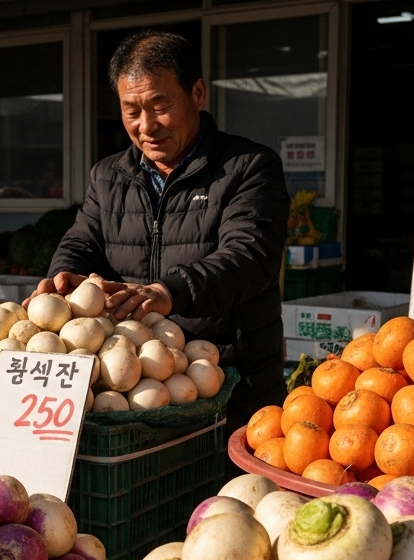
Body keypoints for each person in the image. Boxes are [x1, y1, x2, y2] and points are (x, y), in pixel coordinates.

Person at [29, 30, 289, 430]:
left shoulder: (249, 167)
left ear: (197, 94)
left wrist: (169, 291)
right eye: (131, 110)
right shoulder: (109, 175)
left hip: (231, 387)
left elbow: (249, 255)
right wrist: (65, 275)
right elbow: (83, 239)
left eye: (159, 105)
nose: (146, 126)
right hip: (137, 390)